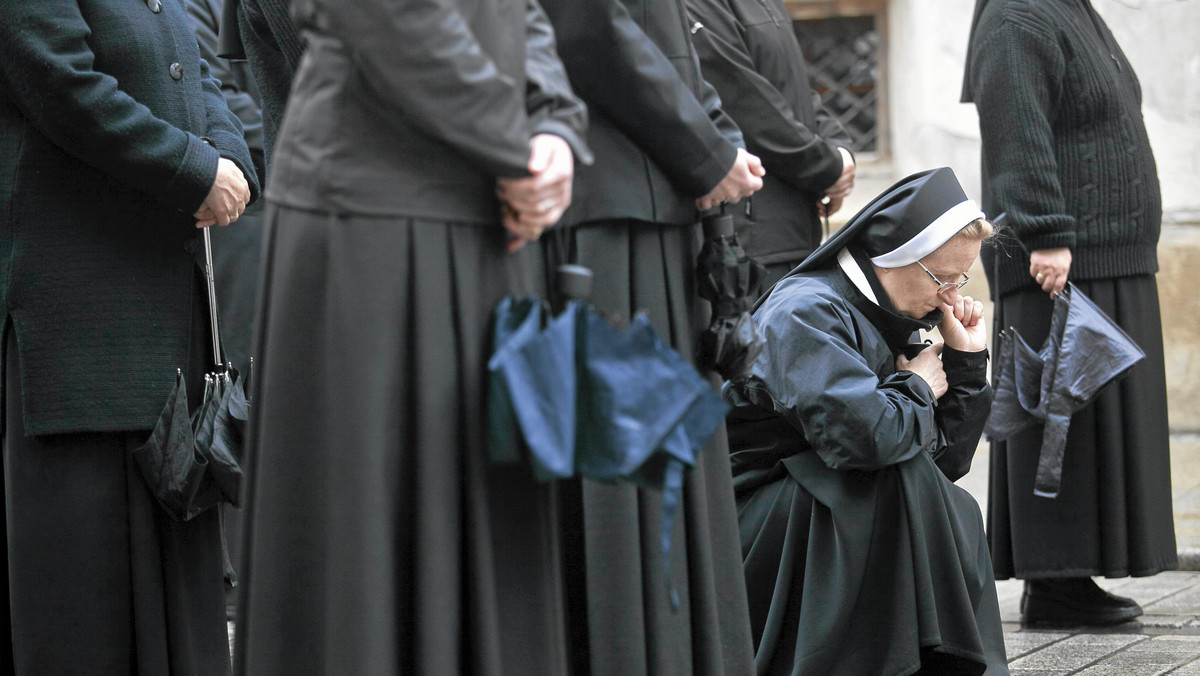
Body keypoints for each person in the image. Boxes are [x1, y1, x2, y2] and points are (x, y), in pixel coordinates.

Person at [232, 0, 591, 673]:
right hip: (374, 214)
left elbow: (524, 14)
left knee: (493, 532)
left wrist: (554, 130)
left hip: (494, 219)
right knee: (363, 555)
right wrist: (515, 146)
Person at [0, 0, 258, 673]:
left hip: (166, 328)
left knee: (183, 612)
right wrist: (190, 171)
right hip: (78, 339)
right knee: (86, 611)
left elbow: (200, 74)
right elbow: (64, 84)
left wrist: (228, 159)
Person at [532, 1, 763, 672]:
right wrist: (706, 150)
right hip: (612, 205)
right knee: (622, 496)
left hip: (654, 197)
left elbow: (668, 42)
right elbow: (588, 27)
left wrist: (719, 143)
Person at [725, 168, 1008, 675]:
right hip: (752, 519)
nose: (949, 296)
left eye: (959, 281)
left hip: (814, 497)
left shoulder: (893, 311)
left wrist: (967, 363)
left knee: (941, 499)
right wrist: (918, 386)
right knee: (892, 482)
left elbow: (943, 465)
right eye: (942, 278)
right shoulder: (802, 313)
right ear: (894, 259)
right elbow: (869, 440)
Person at [963, 0, 1176, 624]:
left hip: (1108, 252)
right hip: (1060, 258)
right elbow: (1016, 125)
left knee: (1095, 428)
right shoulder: (1015, 15)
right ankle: (1054, 583)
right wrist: (1044, 229)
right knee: (1060, 427)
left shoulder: (1066, 8)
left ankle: (1074, 576)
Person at [185, 0, 269, 620]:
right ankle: (236, 566)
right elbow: (206, 79)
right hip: (240, 212)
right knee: (234, 393)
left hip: (267, 197)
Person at [685, 0, 857, 286]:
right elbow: (747, 105)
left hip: (798, 229)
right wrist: (829, 169)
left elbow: (795, 90)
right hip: (755, 238)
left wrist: (839, 148)